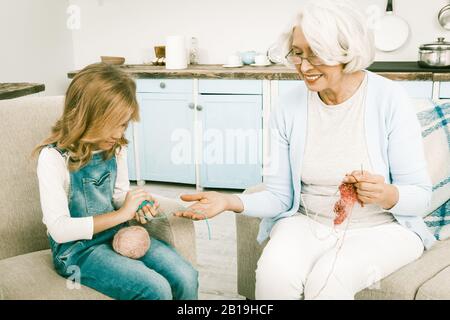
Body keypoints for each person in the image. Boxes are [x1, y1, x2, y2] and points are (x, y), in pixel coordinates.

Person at [175, 0, 435, 299]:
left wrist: (387, 194)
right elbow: (279, 197)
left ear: (345, 52)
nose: (304, 66)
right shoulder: (288, 106)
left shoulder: (390, 99)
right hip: (308, 221)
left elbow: (419, 196)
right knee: (273, 274)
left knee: (328, 280)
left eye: (317, 55)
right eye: (298, 53)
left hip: (382, 229)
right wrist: (228, 201)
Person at [33, 63, 198, 300]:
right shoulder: (53, 158)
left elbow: (118, 196)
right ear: (85, 116)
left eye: (124, 124)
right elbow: (59, 230)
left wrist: (134, 204)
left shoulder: (115, 147)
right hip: (77, 252)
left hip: (117, 235)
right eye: (113, 124)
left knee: (186, 276)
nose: (119, 134)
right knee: (156, 289)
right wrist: (122, 215)